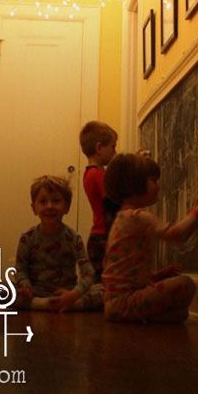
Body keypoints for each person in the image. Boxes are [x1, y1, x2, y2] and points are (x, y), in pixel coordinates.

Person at [102, 152, 198, 323]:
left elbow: (126, 273)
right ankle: (139, 317)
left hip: (113, 304)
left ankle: (142, 318)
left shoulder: (121, 218)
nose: (158, 187)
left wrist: (158, 275)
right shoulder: (139, 216)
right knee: (186, 284)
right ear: (135, 183)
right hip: (127, 302)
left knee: (181, 314)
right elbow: (178, 235)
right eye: (153, 180)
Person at [14, 175, 103, 311]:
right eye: (43, 202)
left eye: (56, 201)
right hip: (35, 293)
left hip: (67, 294)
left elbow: (89, 274)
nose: (50, 206)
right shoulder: (27, 238)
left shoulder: (73, 238)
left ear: (67, 207)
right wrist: (25, 286)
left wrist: (74, 294)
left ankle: (64, 304)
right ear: (34, 208)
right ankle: (45, 304)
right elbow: (20, 269)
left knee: (104, 290)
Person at [80, 120, 118, 282]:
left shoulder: (92, 173)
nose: (114, 152)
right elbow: (111, 201)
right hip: (103, 235)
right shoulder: (96, 174)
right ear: (99, 148)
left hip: (99, 234)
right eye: (113, 147)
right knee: (103, 281)